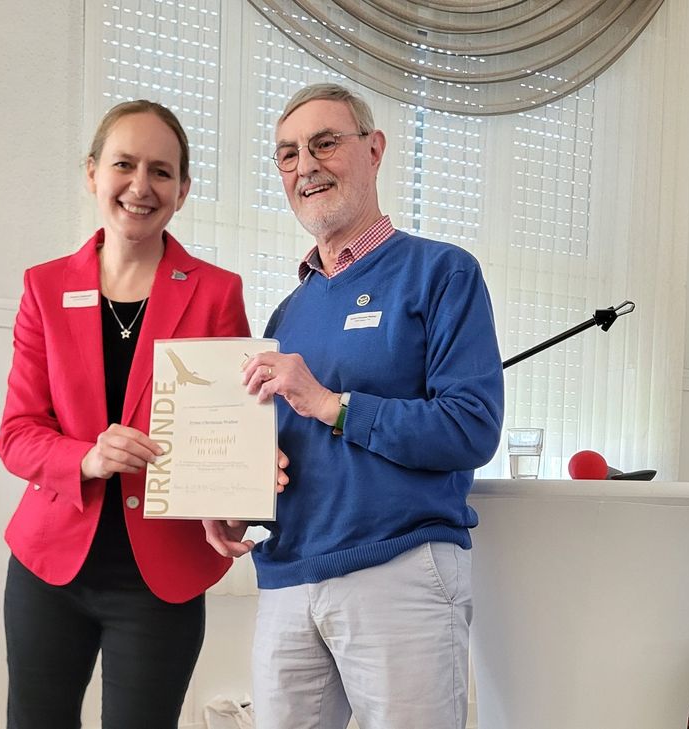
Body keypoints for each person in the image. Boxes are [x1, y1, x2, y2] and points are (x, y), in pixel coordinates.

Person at [203, 84, 504, 728]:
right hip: (288, 580)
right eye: (287, 155)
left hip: (400, 572)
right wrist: (239, 496)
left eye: (324, 143)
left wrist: (332, 403)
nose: (305, 165)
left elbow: (471, 427)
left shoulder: (442, 273)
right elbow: (296, 450)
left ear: (374, 150)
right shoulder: (290, 309)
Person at [0, 100, 272, 729]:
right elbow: (16, 435)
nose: (141, 186)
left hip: (161, 576)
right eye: (124, 164)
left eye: (162, 171)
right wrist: (86, 456)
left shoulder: (216, 291)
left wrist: (228, 499)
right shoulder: (42, 287)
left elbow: (228, 429)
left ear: (182, 191)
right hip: (48, 569)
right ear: (93, 173)